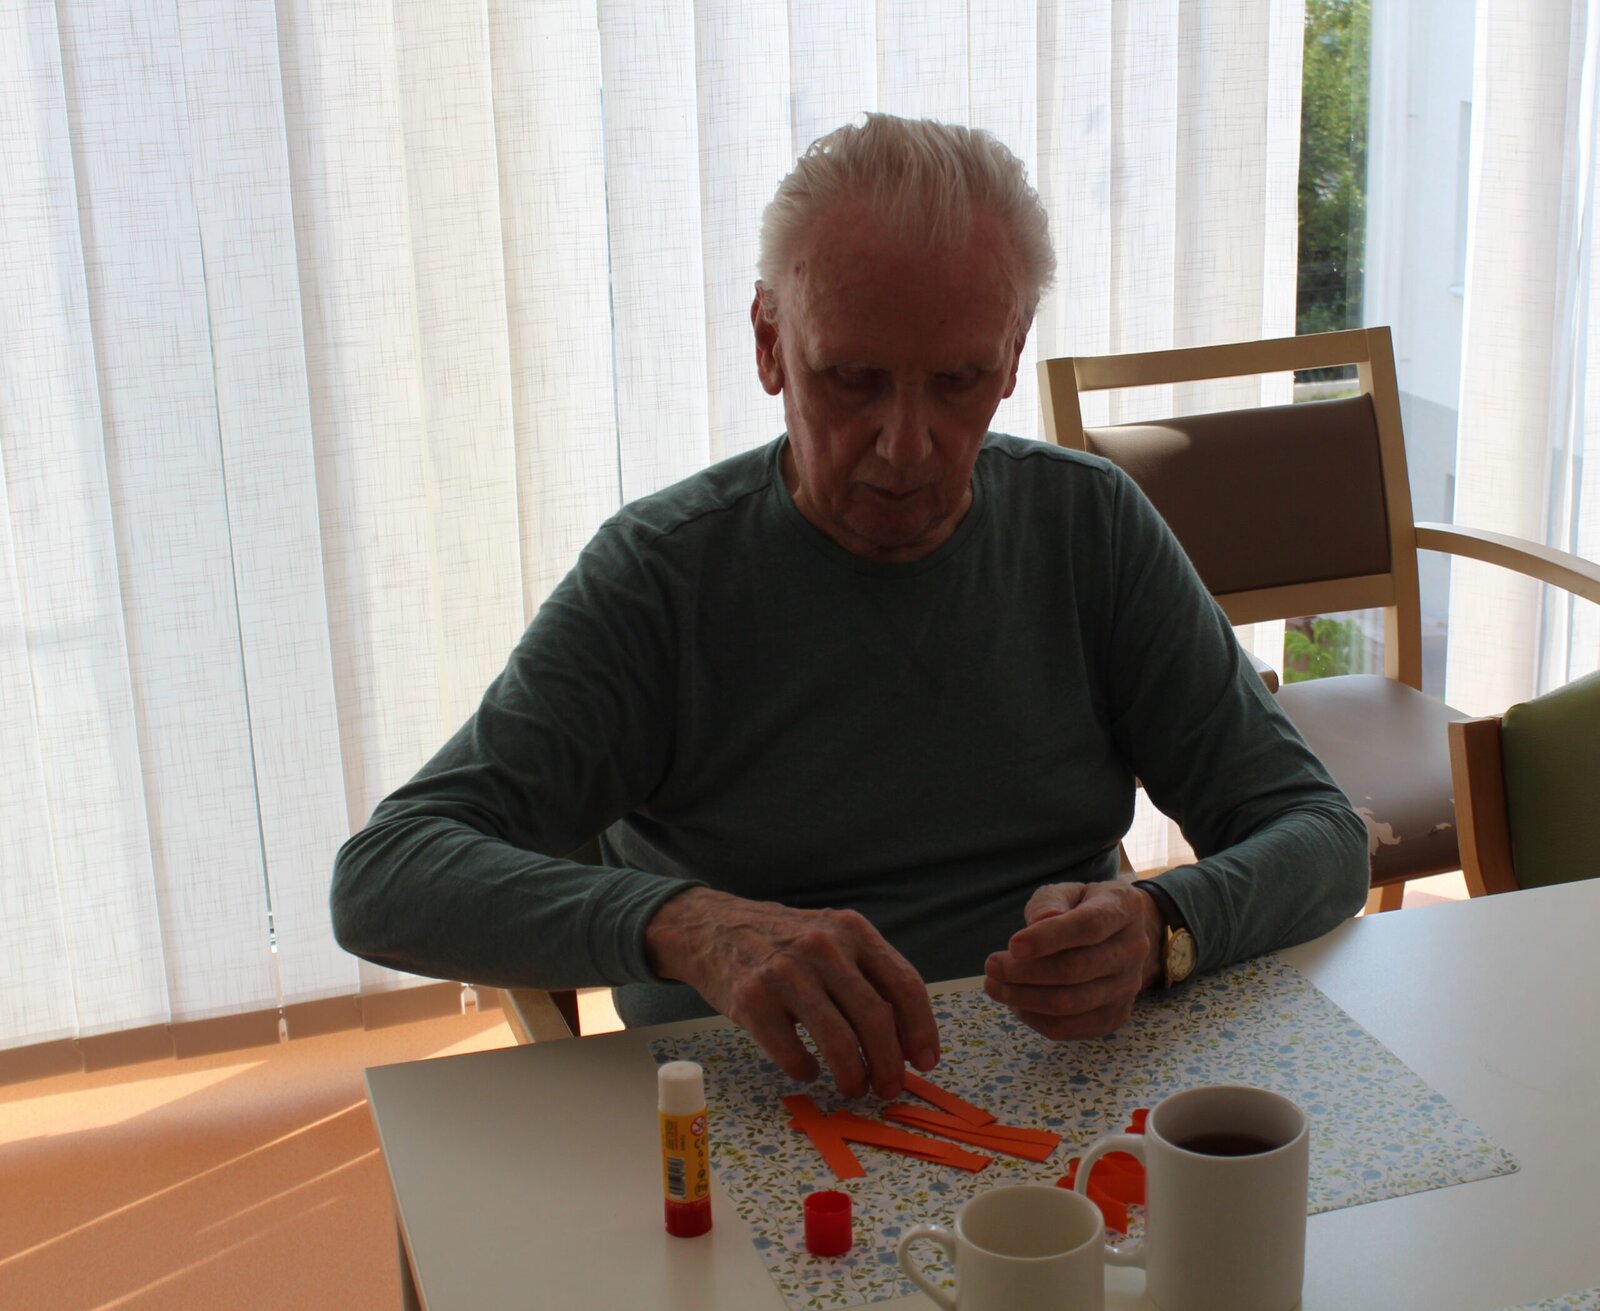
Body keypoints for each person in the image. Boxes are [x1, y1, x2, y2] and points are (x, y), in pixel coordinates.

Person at [330, 114, 1369, 1102]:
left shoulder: (1086, 527)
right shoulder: (663, 577)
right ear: (768, 343)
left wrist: (1159, 928)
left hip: (1066, 1084)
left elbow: (1321, 836)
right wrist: (689, 926)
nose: (905, 446)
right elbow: (385, 876)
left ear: (1014, 355)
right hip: (750, 1102)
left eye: (958, 380)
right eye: (851, 379)